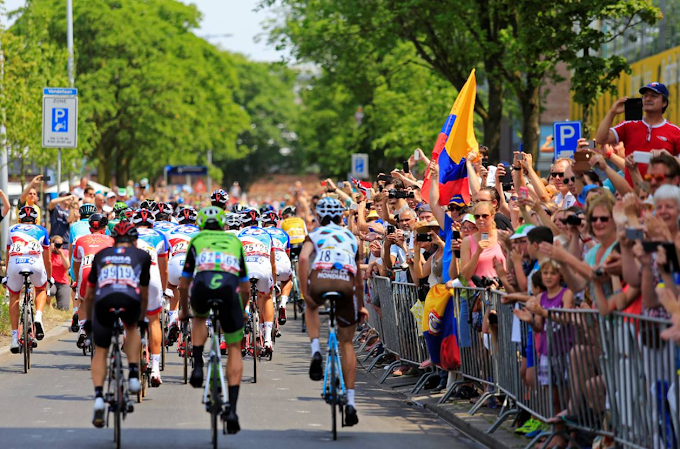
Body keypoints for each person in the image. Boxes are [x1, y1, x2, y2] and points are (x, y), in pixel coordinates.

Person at [299, 197, 368, 426]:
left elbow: (302, 258)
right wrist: (361, 305)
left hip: (320, 279)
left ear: (318, 217)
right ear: (341, 217)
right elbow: (358, 278)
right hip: (345, 283)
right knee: (347, 343)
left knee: (311, 305)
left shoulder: (316, 233)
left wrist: (304, 291)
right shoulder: (350, 236)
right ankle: (350, 402)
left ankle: (316, 349)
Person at [178, 206, 248, 434]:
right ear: (223, 224)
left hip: (202, 287)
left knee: (199, 318)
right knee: (235, 346)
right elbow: (245, 286)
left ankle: (197, 365)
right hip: (229, 290)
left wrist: (184, 309)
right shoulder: (235, 242)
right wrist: (243, 309)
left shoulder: (196, 240)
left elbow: (184, 281)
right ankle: (233, 410)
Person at [82, 221, 150, 428]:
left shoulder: (102, 255)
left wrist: (89, 321)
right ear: (135, 240)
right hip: (130, 300)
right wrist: (142, 318)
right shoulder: (142, 256)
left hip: (104, 302)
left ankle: (99, 398)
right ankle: (132, 375)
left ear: (113, 239)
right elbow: (144, 292)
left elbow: (90, 294)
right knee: (131, 328)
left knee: (101, 350)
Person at [596, 82, 680, 182]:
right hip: (632, 193)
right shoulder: (628, 125)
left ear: (664, 103)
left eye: (654, 96)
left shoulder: (675, 131)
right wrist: (612, 112)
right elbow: (601, 139)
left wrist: (668, 158)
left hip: (662, 194)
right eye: (645, 96)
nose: (648, 99)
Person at [5, 206, 53, 352]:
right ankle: (38, 316)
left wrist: (7, 275)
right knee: (40, 288)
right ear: (36, 219)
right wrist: (49, 278)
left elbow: (8, 255)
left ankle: (14, 338)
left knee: (14, 294)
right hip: (35, 263)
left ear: (19, 219)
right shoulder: (42, 230)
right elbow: (48, 259)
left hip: (15, 264)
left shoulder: (11, 229)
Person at [132, 207, 170, 386]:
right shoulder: (159, 235)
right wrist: (163, 289)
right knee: (154, 320)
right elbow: (164, 269)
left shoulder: (127, 234)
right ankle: (155, 368)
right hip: (152, 277)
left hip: (131, 277)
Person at [237, 209, 277, 353]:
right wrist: (274, 282)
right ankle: (267, 340)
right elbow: (273, 263)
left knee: (241, 293)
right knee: (266, 296)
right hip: (263, 266)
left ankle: (245, 312)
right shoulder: (267, 234)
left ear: (243, 222)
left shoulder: (239, 234)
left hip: (246, 268)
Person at [73, 214, 114, 348]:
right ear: (105, 227)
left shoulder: (80, 240)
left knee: (83, 301)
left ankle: (82, 329)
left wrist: (76, 281)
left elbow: (76, 264)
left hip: (86, 272)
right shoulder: (111, 240)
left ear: (90, 228)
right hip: (104, 273)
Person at [165, 208, 199, 344]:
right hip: (192, 265)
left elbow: (166, 255)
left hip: (175, 263)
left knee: (172, 286)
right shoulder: (200, 232)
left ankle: (173, 320)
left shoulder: (170, 231)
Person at [262, 210, 292, 324]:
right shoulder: (284, 233)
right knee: (288, 279)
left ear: (264, 223)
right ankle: (283, 303)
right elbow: (288, 254)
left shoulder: (262, 232)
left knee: (263, 294)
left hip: (267, 263)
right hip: (282, 261)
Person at [49, 235, 71, 311]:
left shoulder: (65, 252)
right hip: (51, 281)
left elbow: (67, 266)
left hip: (63, 282)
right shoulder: (49, 253)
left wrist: (61, 254)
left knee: (64, 308)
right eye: (56, 244)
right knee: (50, 292)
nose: (58, 246)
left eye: (60, 244)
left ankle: (56, 304)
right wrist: (50, 250)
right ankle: (48, 303)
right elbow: (45, 263)